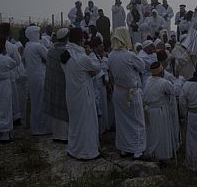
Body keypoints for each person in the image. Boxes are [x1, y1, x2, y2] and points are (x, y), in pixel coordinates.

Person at [61, 28, 100, 160]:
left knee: (75, 123)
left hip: (71, 93)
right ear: (79, 40)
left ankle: (73, 149)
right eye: (83, 39)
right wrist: (91, 53)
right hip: (84, 94)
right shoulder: (82, 58)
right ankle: (86, 152)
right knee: (86, 123)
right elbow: (97, 67)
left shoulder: (65, 54)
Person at [108, 27, 147, 159]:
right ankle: (137, 149)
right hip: (131, 92)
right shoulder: (129, 55)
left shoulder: (111, 56)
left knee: (122, 120)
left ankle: (124, 148)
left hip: (118, 91)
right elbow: (142, 67)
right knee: (137, 120)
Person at [143, 61, 181, 161]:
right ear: (161, 72)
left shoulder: (148, 79)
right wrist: (178, 81)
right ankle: (162, 156)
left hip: (149, 110)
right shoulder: (164, 82)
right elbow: (175, 91)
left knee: (152, 133)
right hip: (160, 111)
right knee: (161, 134)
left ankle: (152, 153)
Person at [23, 26, 51, 135]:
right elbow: (49, 56)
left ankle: (36, 128)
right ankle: (43, 128)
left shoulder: (27, 46)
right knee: (42, 102)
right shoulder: (38, 46)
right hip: (40, 77)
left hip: (32, 77)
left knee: (35, 103)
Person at [44, 28, 70, 143]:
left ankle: (56, 135)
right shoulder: (65, 51)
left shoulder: (51, 50)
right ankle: (64, 136)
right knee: (63, 108)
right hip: (63, 82)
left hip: (53, 82)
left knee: (55, 108)